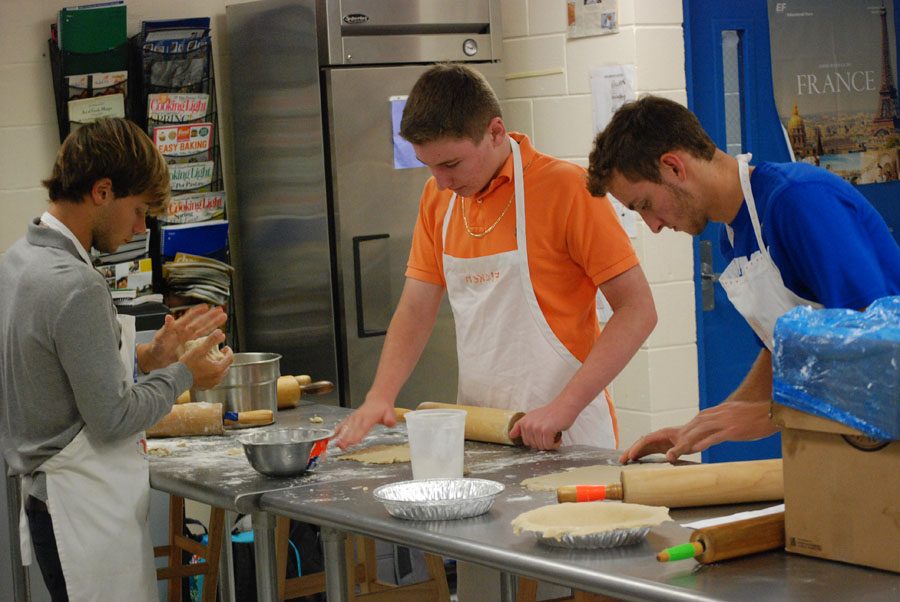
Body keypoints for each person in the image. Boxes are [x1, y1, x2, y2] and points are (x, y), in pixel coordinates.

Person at [334, 63, 656, 453]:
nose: (441, 182)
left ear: (496, 132)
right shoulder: (440, 200)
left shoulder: (566, 189)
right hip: (483, 431)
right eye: (430, 166)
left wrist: (562, 408)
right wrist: (380, 396)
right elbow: (416, 309)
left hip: (566, 433)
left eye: (451, 164)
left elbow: (637, 310)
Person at [586, 95, 900, 463]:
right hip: (853, 438)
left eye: (644, 205)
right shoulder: (734, 236)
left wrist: (772, 414)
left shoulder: (797, 202)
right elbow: (783, 351)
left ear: (673, 167)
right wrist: (705, 426)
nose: (652, 226)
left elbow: (879, 349)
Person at [0, 117, 234, 601]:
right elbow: (112, 419)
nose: (139, 228)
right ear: (103, 191)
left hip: (52, 502)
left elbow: (61, 377)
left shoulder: (19, 260)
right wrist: (186, 372)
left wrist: (146, 359)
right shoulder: (75, 283)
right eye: (139, 210)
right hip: (82, 509)